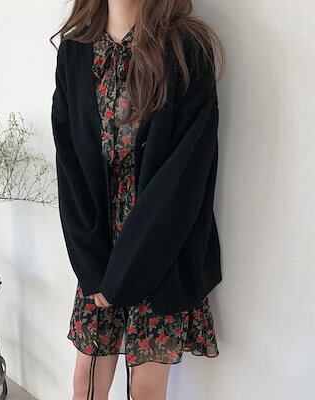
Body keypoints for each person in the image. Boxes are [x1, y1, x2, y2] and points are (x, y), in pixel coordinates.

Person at [50, 1, 225, 399]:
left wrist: (125, 276)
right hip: (98, 247)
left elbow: (185, 178)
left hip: (160, 246)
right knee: (85, 383)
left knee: (145, 389)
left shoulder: (186, 48)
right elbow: (69, 165)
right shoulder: (75, 52)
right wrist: (92, 267)